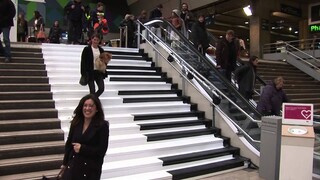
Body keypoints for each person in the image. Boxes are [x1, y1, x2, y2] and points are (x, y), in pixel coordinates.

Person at [60, 94, 109, 180]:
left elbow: (101, 151)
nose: (87, 108)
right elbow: (69, 144)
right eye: (85, 105)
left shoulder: (102, 126)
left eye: (91, 106)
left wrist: (82, 149)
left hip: (90, 170)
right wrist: (64, 164)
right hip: (73, 167)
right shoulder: (76, 122)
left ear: (97, 109)